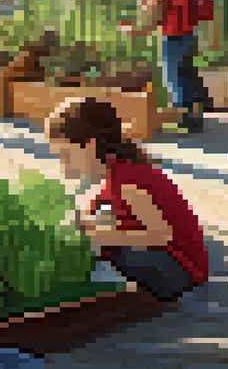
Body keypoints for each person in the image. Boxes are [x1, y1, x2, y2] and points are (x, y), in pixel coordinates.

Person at [46, 96, 209, 301]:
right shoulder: (110, 178)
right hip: (166, 263)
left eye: (65, 155)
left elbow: (162, 235)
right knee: (98, 223)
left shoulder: (128, 180)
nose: (62, 163)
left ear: (90, 145)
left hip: (180, 271)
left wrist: (96, 237)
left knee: (114, 253)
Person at [120, 0, 214, 133]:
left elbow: (158, 16)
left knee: (174, 79)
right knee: (186, 76)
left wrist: (137, 31)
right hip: (189, 36)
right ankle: (194, 118)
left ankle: (183, 120)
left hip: (173, 37)